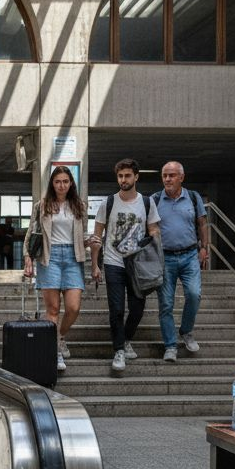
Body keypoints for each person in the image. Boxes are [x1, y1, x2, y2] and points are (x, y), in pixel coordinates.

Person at [89, 159, 161, 372]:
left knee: (138, 309)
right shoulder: (108, 203)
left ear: (136, 177)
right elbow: (96, 236)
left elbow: (154, 230)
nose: (123, 180)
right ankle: (119, 350)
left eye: (127, 176)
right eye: (120, 176)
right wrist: (95, 264)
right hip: (113, 262)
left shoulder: (147, 203)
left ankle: (126, 338)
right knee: (117, 309)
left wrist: (154, 244)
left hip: (138, 265)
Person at [22, 165, 88, 373]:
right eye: (58, 181)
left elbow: (81, 235)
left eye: (65, 181)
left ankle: (59, 337)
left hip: (73, 258)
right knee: (52, 310)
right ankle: (55, 351)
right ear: (52, 183)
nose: (61, 185)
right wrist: (28, 258)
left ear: (71, 184)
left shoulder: (79, 206)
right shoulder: (42, 206)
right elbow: (31, 233)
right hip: (48, 258)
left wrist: (90, 243)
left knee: (73, 307)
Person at [151, 160, 210, 362]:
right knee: (166, 304)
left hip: (190, 255)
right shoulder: (155, 199)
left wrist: (204, 247)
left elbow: (202, 224)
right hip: (164, 258)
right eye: (165, 175)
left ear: (181, 178)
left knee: (194, 294)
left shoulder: (193, 198)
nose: (167, 179)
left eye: (172, 175)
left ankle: (186, 330)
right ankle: (170, 345)